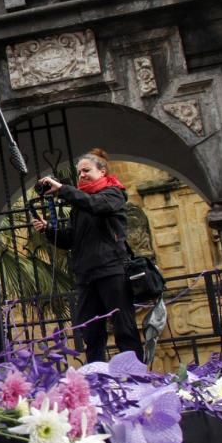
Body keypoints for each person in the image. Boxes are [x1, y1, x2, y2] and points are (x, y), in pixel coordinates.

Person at [31, 148, 143, 363]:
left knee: (124, 326)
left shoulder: (113, 194)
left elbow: (96, 205)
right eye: (79, 172)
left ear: (102, 172)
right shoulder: (79, 205)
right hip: (86, 274)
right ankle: (96, 372)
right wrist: (48, 230)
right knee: (90, 330)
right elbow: (71, 239)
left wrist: (63, 189)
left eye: (86, 170)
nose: (82, 175)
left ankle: (134, 371)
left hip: (111, 270)